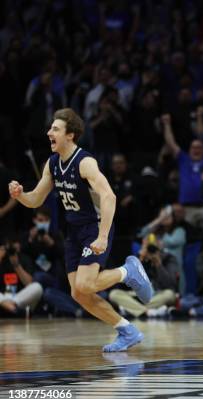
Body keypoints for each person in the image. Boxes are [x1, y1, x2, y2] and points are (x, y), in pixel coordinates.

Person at [8, 108, 153, 352]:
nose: (48, 133)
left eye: (55, 129)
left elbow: (109, 196)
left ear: (70, 135)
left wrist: (103, 236)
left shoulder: (85, 162)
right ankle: (127, 330)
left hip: (94, 226)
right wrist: (20, 195)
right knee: (78, 293)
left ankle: (127, 271)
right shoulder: (52, 163)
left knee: (86, 285)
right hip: (74, 231)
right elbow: (35, 200)